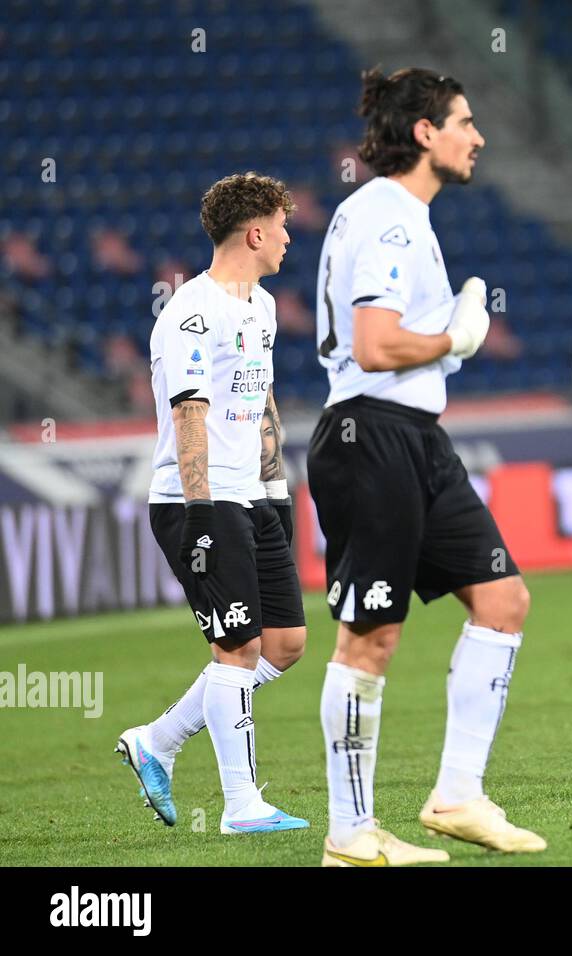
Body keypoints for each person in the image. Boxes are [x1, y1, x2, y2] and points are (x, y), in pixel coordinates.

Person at [309, 67, 545, 866]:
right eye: (465, 122)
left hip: (414, 437)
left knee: (503, 600)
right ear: (424, 132)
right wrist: (454, 340)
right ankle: (349, 835)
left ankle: (457, 795)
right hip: (369, 436)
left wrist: (443, 337)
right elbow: (375, 346)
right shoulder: (390, 219)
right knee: (370, 640)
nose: (477, 136)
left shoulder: (395, 214)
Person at [117, 172, 308, 834]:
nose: (288, 235)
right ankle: (241, 805)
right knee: (238, 647)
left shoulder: (262, 307)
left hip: (250, 494)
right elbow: (190, 413)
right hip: (195, 499)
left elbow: (261, 403)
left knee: (283, 644)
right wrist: (201, 516)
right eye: (282, 225)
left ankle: (157, 742)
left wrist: (276, 487)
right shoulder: (191, 314)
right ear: (254, 232)